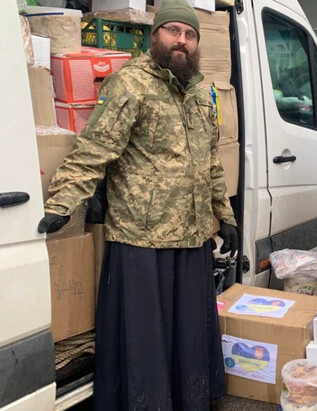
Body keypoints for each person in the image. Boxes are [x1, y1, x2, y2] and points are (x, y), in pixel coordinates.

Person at [37, 1, 239, 409]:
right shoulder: (129, 84)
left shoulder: (201, 92)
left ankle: (188, 399)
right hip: (142, 238)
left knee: (187, 333)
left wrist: (226, 215)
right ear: (155, 35)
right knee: (147, 335)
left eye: (190, 34)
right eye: (173, 31)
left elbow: (211, 161)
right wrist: (62, 201)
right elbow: (95, 148)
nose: (181, 40)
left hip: (193, 234)